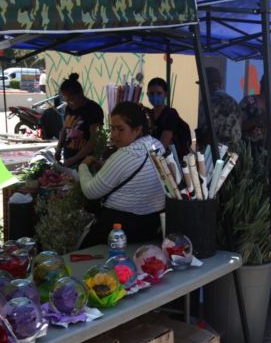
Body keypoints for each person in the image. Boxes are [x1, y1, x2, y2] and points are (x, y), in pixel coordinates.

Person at [78, 102, 166, 247]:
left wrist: (83, 166)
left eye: (120, 129)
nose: (114, 135)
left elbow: (90, 191)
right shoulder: (157, 145)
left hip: (120, 230)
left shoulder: (124, 155)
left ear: (138, 130)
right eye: (112, 128)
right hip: (150, 227)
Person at [54, 73, 105, 168]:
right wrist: (58, 149)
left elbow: (94, 140)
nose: (69, 103)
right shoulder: (69, 108)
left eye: (71, 100)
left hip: (86, 162)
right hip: (68, 159)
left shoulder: (94, 109)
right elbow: (64, 130)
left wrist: (74, 159)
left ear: (80, 94)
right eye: (66, 100)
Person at [239, 72, 271, 154]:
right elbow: (238, 127)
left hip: (264, 157)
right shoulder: (249, 102)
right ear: (268, 88)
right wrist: (260, 118)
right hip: (246, 155)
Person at [196, 67, 242, 147]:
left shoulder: (207, 102)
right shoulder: (233, 101)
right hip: (233, 151)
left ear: (204, 84)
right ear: (220, 82)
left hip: (212, 151)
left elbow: (206, 130)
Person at [146, 77, 192, 158]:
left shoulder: (171, 114)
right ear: (147, 95)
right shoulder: (149, 113)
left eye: (159, 93)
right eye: (151, 93)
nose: (155, 96)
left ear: (166, 94)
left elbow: (163, 144)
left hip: (171, 159)